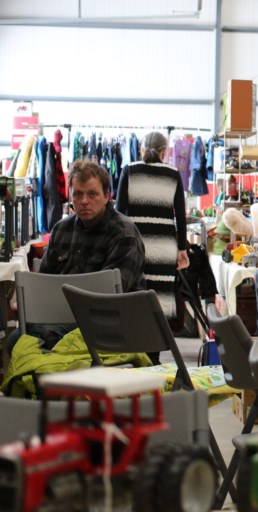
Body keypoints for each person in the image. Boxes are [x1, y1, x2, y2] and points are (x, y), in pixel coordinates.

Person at [7, 160, 147, 353]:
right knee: (17, 340)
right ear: (71, 197)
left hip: (109, 324)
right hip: (61, 320)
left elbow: (111, 296)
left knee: (37, 343)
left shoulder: (124, 234)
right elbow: (44, 280)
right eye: (78, 194)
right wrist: (29, 299)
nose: (84, 201)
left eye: (92, 194)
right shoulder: (61, 229)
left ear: (107, 196)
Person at [115, 131, 188, 320]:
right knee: (160, 298)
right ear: (164, 152)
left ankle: (136, 344)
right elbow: (180, 215)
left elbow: (119, 213)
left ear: (141, 149)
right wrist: (182, 249)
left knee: (134, 294)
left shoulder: (130, 170)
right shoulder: (173, 174)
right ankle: (156, 346)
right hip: (164, 248)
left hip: (134, 247)